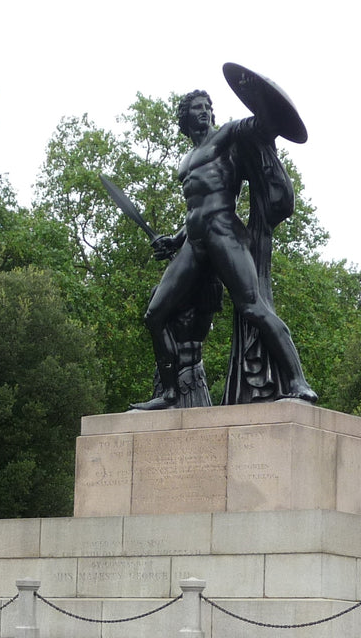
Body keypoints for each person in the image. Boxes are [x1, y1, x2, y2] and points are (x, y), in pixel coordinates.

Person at [134, 85, 318, 410]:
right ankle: (169, 393)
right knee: (155, 314)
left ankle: (297, 381)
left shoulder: (228, 137)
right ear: (185, 117)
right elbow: (195, 209)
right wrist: (174, 240)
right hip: (194, 241)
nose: (204, 111)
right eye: (197, 108)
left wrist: (260, 97)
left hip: (224, 233)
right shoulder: (187, 159)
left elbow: (263, 125)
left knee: (253, 307)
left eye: (207, 106)